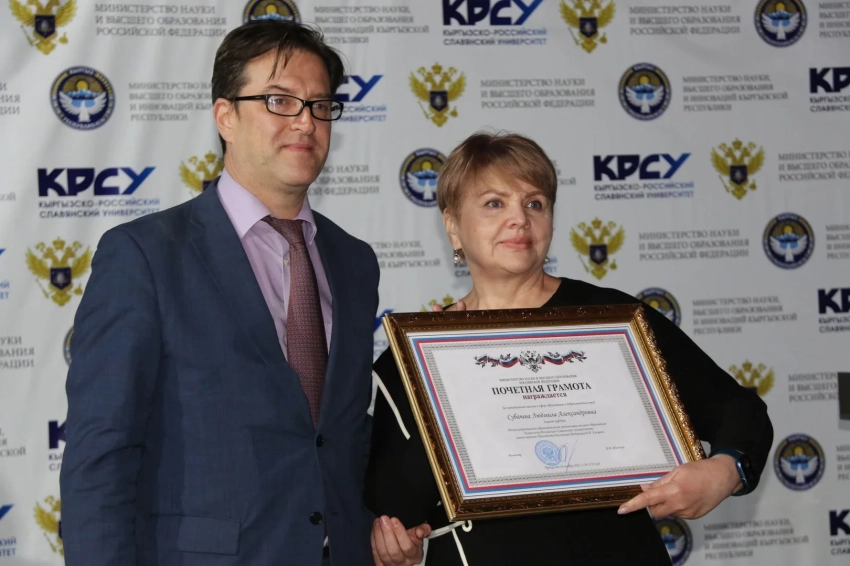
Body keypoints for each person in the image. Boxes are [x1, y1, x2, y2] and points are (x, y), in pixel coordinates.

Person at [364, 132, 773, 566]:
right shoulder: (412, 358)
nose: (519, 219)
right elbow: (394, 507)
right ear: (453, 227)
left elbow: (739, 410)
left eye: (535, 203)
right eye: (494, 203)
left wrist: (726, 470)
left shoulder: (612, 323)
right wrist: (394, 543)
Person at [60, 20, 378, 566]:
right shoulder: (145, 256)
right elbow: (101, 456)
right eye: (280, 101)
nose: (306, 121)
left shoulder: (354, 261)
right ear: (225, 116)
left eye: (321, 105)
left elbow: (342, 436)